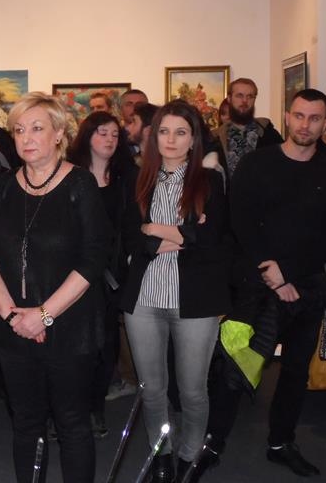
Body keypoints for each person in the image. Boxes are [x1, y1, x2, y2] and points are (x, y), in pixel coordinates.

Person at [204, 89, 326, 478]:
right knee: (236, 366)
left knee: (296, 371)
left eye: (314, 118)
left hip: (306, 289)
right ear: (286, 116)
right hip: (255, 285)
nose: (305, 125)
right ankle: (212, 443)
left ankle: (281, 442)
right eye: (299, 115)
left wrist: (290, 274)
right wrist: (272, 272)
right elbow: (241, 221)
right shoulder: (256, 163)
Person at [0, 92, 110, 483]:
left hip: (69, 326)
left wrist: (43, 315)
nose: (26, 138)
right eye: (19, 130)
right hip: (14, 326)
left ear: (59, 134)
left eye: (37, 128)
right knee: (25, 422)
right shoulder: (3, 186)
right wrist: (12, 315)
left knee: (72, 422)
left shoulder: (80, 184)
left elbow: (93, 260)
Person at [119, 100, 230, 483]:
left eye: (180, 132)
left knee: (192, 391)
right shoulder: (136, 180)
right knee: (152, 390)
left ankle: (189, 456)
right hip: (144, 300)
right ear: (153, 137)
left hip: (196, 300)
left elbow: (212, 239)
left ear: (193, 139)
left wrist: (153, 229)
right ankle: (161, 455)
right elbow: (129, 238)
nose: (171, 139)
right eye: (164, 131)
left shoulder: (210, 181)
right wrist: (180, 234)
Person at [67, 110, 139, 438]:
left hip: (111, 275)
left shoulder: (126, 178)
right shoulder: (69, 174)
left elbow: (132, 226)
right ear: (88, 136)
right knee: (71, 344)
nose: (110, 139)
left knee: (106, 344)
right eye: (102, 133)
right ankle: (68, 410)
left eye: (115, 134)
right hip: (73, 272)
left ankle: (95, 408)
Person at [210, 77, 282, 180]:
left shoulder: (269, 134)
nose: (244, 101)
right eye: (239, 96)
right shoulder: (214, 139)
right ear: (229, 98)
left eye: (250, 96)